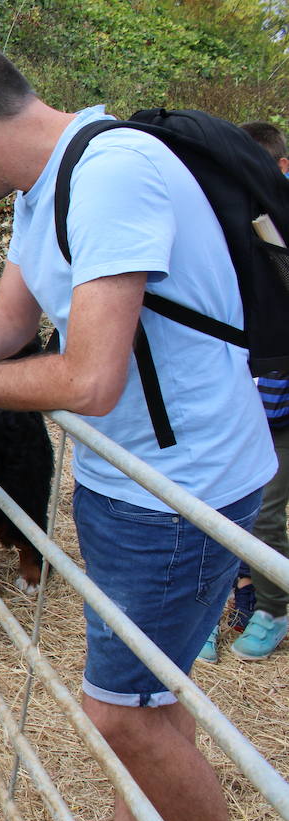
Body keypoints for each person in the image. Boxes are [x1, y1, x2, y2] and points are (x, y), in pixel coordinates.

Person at [0, 42, 275, 821]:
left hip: (182, 487)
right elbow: (6, 321)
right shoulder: (49, 186)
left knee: (124, 714)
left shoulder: (112, 176)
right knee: (148, 694)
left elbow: (88, 376)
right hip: (127, 476)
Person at [199, 120, 289, 663]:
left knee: (266, 513)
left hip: (280, 411)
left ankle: (274, 607)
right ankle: (208, 610)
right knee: (210, 509)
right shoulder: (222, 229)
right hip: (228, 406)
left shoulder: (276, 232)